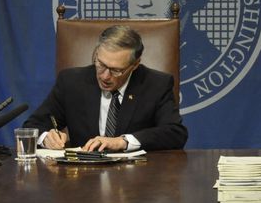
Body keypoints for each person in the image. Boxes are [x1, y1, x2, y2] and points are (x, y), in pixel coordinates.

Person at [23, 25, 188, 152]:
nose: (105, 76)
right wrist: (46, 138)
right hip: (83, 180)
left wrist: (122, 141)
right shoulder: (71, 82)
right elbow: (33, 125)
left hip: (137, 181)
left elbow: (175, 133)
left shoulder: (156, 84)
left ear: (135, 64)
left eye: (116, 70)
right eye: (101, 64)